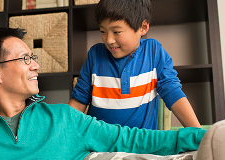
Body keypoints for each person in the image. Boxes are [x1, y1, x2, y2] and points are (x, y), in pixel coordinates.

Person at [0, 27, 206, 159]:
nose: (36, 65)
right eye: (25, 59)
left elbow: (134, 140)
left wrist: (206, 135)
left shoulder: (65, 119)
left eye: (34, 57)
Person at [68, 0, 201, 130]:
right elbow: (79, 100)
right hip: (100, 144)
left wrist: (198, 133)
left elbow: (173, 93)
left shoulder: (153, 51)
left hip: (142, 145)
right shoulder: (95, 54)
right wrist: (61, 132)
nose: (108, 40)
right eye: (103, 31)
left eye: (116, 32)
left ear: (143, 28)